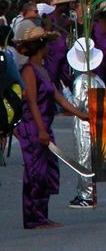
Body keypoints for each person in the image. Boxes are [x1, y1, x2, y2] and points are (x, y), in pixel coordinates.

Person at [14, 27, 88, 229]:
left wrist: (81, 114)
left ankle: (42, 216)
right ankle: (33, 218)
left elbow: (59, 98)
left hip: (44, 126)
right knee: (35, 174)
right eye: (47, 44)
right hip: (33, 128)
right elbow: (31, 102)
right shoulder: (29, 70)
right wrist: (41, 130)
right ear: (40, 47)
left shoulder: (43, 70)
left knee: (47, 172)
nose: (49, 48)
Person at [66, 38, 105, 209]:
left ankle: (86, 195)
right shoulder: (98, 79)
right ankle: (86, 192)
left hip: (84, 123)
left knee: (84, 159)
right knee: (88, 159)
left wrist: (65, 94)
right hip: (95, 122)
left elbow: (76, 105)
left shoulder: (81, 80)